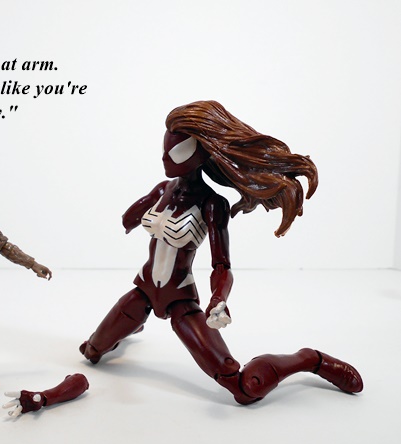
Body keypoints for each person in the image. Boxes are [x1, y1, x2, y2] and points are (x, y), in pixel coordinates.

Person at [80, 101, 362, 404]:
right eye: (164, 149)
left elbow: (222, 266)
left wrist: (218, 300)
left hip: (179, 299)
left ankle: (309, 359)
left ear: (202, 153)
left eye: (177, 150)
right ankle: (133, 326)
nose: (166, 157)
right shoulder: (163, 190)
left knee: (243, 388)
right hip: (143, 291)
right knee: (90, 352)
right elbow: (128, 220)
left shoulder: (212, 204)